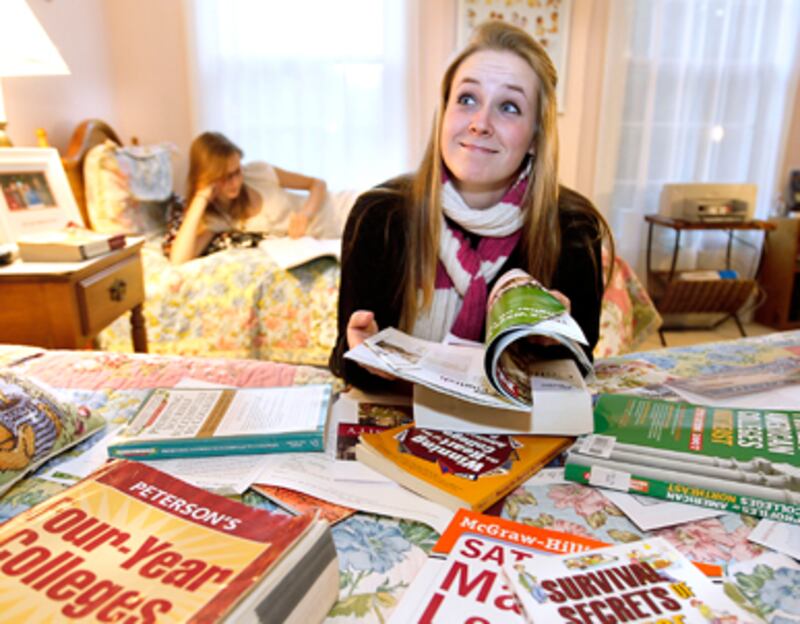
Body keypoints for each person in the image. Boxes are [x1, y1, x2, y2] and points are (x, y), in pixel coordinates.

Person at [329, 20, 614, 390]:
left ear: (535, 137)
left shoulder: (573, 227)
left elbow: (577, 372)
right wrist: (365, 357)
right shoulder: (379, 216)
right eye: (467, 99)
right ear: (444, 114)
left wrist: (555, 342)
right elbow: (345, 359)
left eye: (509, 107)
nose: (480, 123)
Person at [169, 132, 337, 264]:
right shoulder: (218, 218)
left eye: (237, 171)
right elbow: (178, 259)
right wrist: (200, 197)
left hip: (336, 208)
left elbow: (317, 184)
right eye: (226, 177)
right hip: (328, 244)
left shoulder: (258, 172)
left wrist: (306, 214)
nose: (236, 182)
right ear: (208, 180)